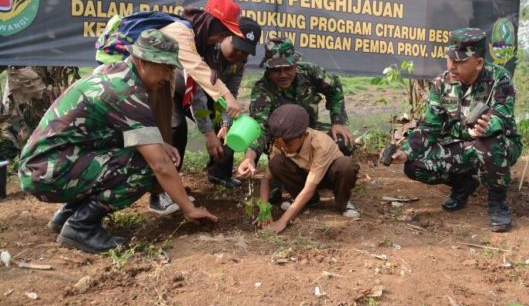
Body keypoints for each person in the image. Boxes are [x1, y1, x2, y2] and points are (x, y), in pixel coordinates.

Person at [18, 30, 218, 254]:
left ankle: (67, 215)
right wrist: (189, 208)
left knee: (138, 151)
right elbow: (160, 165)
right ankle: (81, 226)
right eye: (165, 67)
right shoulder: (126, 91)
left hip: (46, 164)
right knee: (144, 167)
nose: (168, 76)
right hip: (48, 172)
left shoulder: (117, 73)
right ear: (143, 61)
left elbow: (117, 133)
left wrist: (159, 143)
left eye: (172, 69)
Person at [388, 28, 522, 232]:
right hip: (461, 145)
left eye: (459, 61)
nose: (452, 66)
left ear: (478, 63)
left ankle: (498, 201)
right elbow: (430, 127)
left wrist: (487, 126)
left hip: (498, 144)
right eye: (449, 58)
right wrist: (407, 150)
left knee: (488, 144)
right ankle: (463, 185)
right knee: (413, 165)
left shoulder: (499, 79)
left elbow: (502, 118)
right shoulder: (442, 83)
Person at [149, 17, 262, 215]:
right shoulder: (208, 51)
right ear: (225, 37)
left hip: (211, 97)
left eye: (245, 51)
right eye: (237, 47)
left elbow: (230, 97)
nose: (239, 54)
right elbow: (196, 96)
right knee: (176, 129)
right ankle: (163, 191)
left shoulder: (238, 62)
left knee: (227, 125)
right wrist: (208, 132)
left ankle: (218, 173)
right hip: (178, 92)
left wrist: (226, 124)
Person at [236, 37, 354, 205]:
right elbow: (259, 127)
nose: (283, 75)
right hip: (282, 139)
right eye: (276, 70)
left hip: (310, 132)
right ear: (268, 68)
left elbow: (334, 88)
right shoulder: (263, 89)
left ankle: (330, 181)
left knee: (343, 141)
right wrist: (249, 157)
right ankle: (285, 182)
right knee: (277, 154)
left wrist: (338, 120)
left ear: (295, 64)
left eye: (288, 68)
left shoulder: (310, 73)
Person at [255, 104, 360, 233]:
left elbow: (309, 189)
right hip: (306, 176)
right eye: (280, 143)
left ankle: (343, 204)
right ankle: (309, 202)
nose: (284, 147)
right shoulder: (281, 143)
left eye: (288, 143)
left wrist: (282, 221)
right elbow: (266, 179)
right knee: (276, 163)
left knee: (346, 165)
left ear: (304, 135)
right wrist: (264, 210)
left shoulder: (320, 144)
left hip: (328, 177)